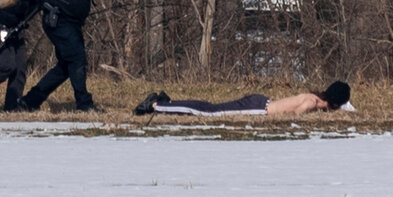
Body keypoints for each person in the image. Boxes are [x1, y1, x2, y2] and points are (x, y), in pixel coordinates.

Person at [133, 81, 354, 116]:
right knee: (209, 113)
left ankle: (168, 103)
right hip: (258, 109)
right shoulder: (312, 103)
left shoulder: (314, 96)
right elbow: (295, 118)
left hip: (259, 102)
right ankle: (156, 105)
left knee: (210, 108)